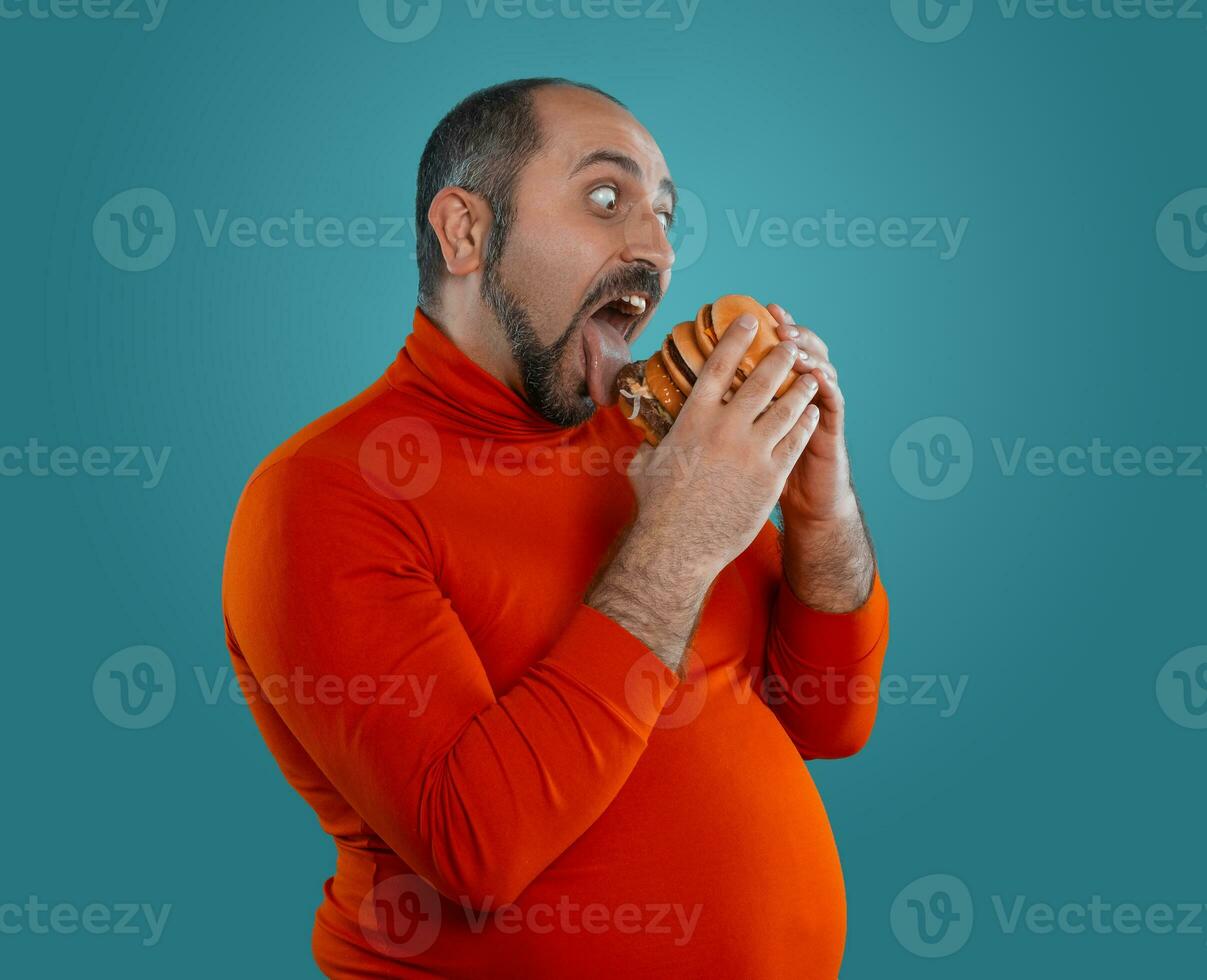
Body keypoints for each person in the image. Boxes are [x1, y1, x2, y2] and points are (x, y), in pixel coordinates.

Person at [222, 76, 890, 979]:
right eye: (606, 199)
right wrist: (681, 543)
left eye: (664, 214)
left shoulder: (655, 443)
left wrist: (820, 509)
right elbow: (473, 852)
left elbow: (826, 721)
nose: (655, 249)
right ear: (465, 232)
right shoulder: (325, 495)